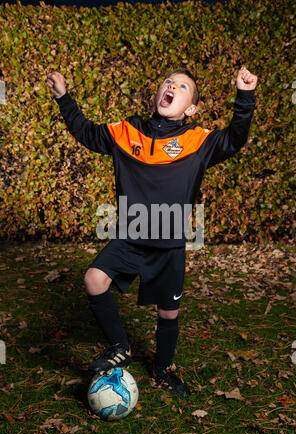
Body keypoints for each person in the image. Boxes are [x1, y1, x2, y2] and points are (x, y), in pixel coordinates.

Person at [46, 65, 257, 397]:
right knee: (93, 279)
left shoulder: (198, 140)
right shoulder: (127, 132)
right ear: (158, 94)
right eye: (167, 82)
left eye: (183, 87)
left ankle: (163, 368)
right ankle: (119, 345)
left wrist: (244, 96)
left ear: (191, 108)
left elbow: (234, 138)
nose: (171, 86)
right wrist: (63, 97)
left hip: (168, 244)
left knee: (168, 312)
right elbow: (86, 131)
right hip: (130, 237)